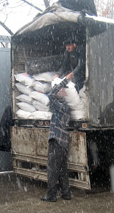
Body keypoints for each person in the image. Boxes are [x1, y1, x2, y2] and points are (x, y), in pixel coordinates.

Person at [41, 74, 73, 202]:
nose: (61, 90)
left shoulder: (61, 107)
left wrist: (64, 81)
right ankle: (66, 193)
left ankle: (51, 195)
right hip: (63, 142)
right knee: (62, 170)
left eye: (63, 90)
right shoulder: (64, 108)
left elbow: (50, 95)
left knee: (52, 169)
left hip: (57, 141)